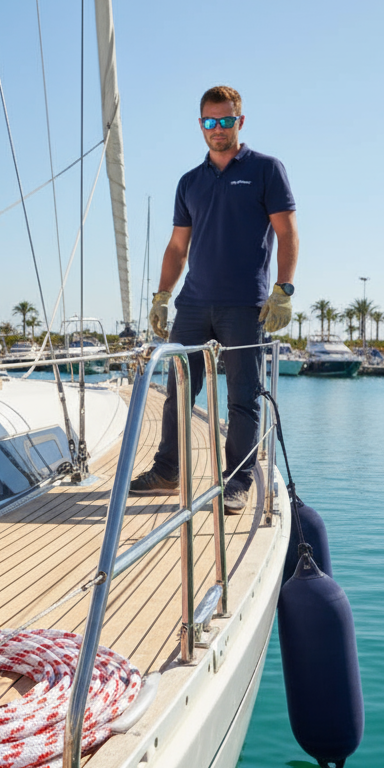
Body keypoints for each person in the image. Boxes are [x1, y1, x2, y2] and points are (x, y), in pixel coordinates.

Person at [130, 86, 298, 513]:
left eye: (225, 120)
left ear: (240, 121)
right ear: (200, 125)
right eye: (210, 121)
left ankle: (237, 481)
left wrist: (283, 290)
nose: (217, 129)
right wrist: (162, 295)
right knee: (178, 393)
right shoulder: (190, 182)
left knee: (243, 397)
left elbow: (287, 233)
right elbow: (177, 247)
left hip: (244, 305)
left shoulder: (266, 170)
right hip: (193, 304)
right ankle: (168, 471)